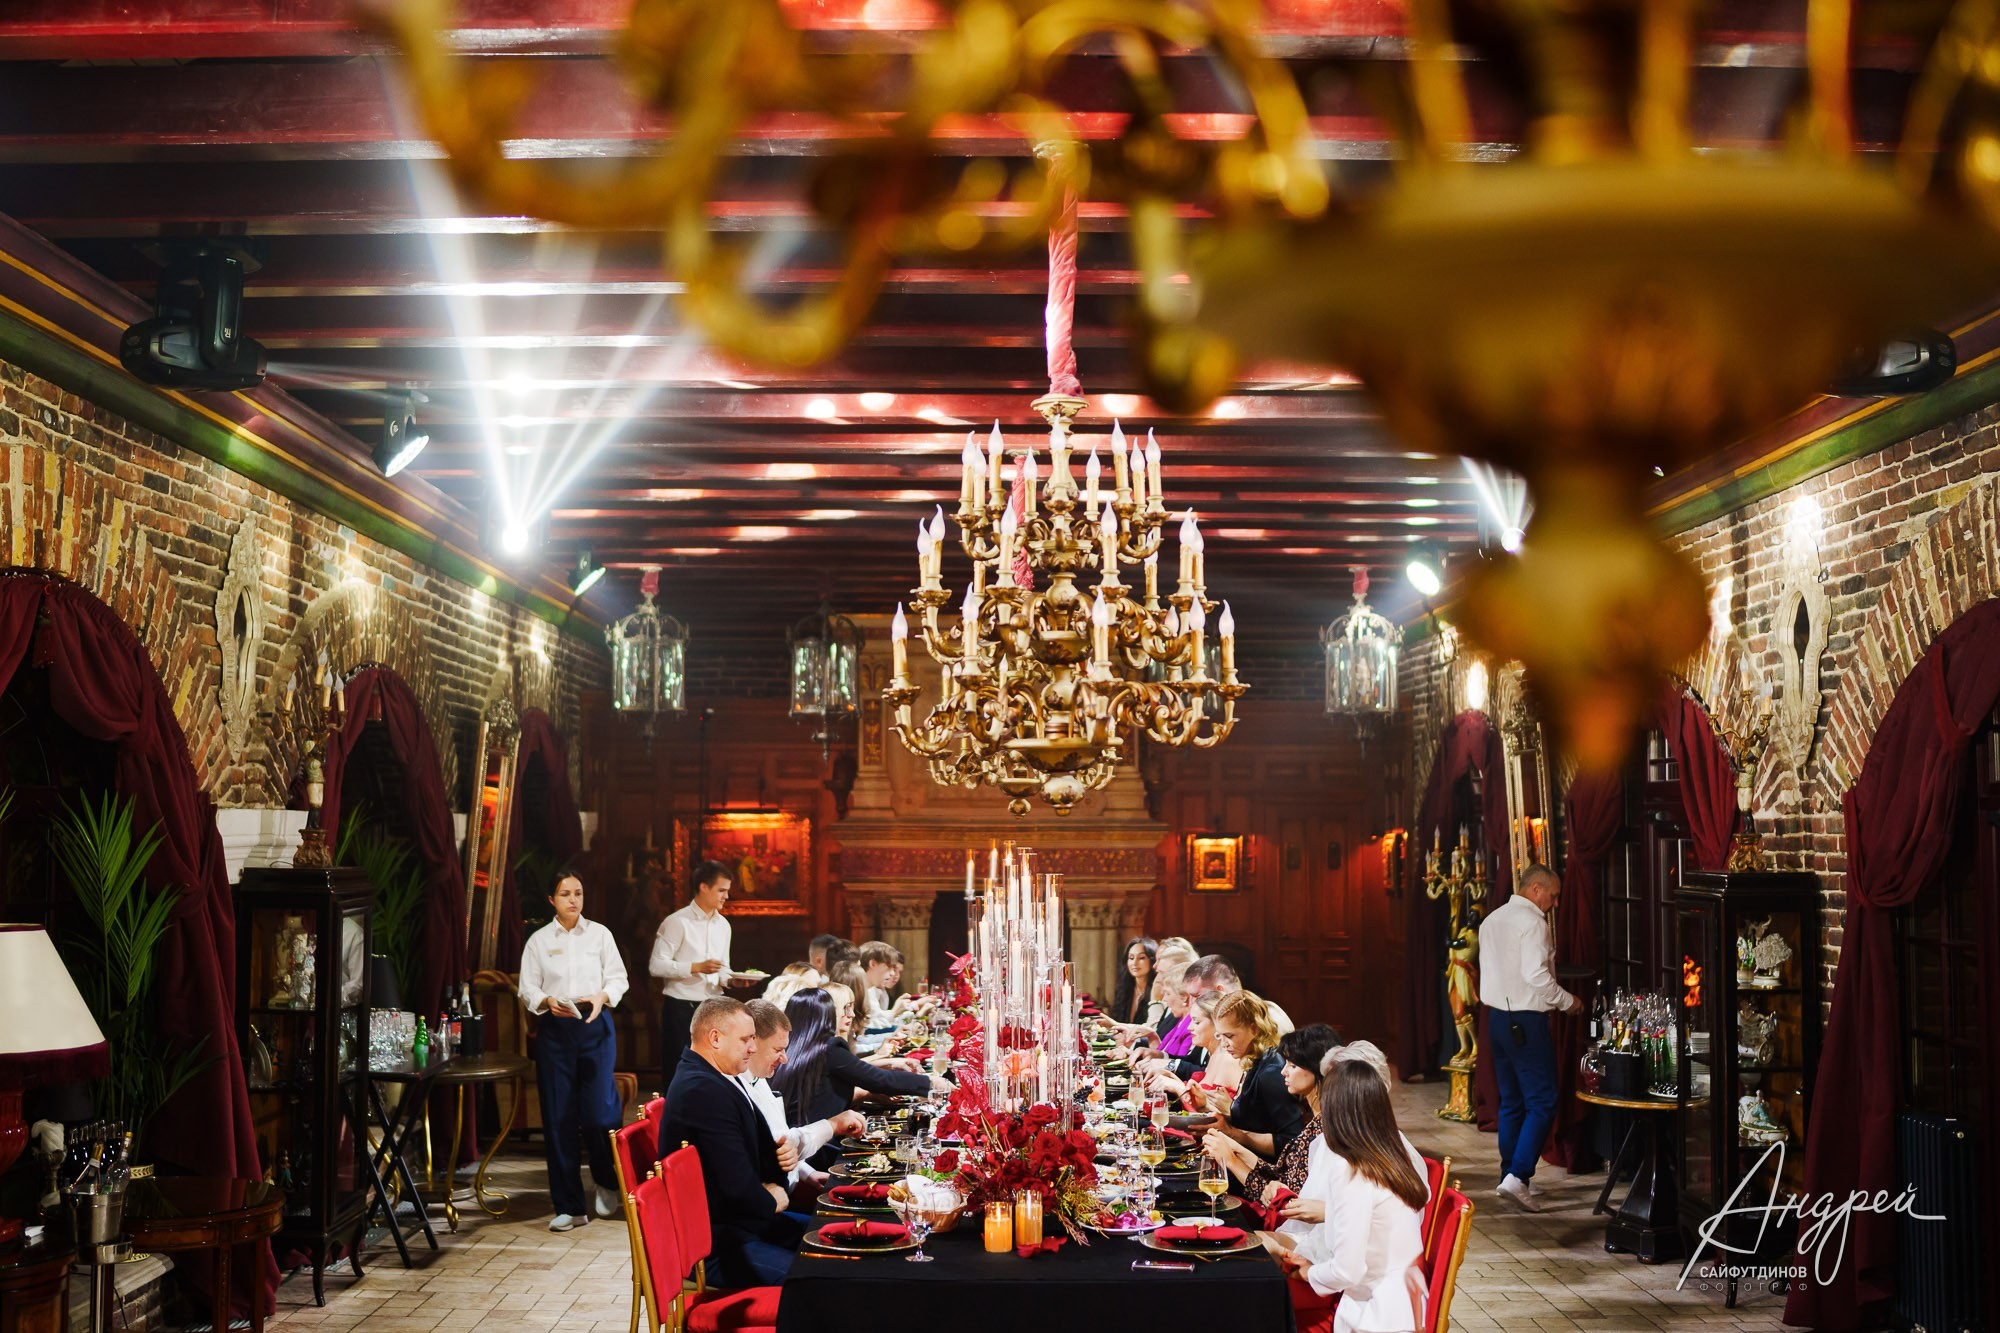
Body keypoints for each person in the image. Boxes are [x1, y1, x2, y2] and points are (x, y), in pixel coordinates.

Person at [1277, 1060, 1430, 1333]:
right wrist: (1313, 1266)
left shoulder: (1351, 1170)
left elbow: (1348, 1271)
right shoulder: (1393, 1158)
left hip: (1375, 1317)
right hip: (1408, 1307)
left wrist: (1308, 1273)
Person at [659, 997, 803, 1285]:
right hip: (717, 1245)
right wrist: (770, 1198)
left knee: (834, 1238)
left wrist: (780, 1162)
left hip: (744, 1224)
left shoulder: (719, 1076)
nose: (753, 1047)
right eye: (746, 1039)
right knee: (819, 1279)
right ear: (715, 1038)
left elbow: (756, 1151)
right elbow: (738, 1187)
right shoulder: (702, 1090)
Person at [518, 873, 629, 1232]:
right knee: (558, 1118)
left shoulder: (600, 934)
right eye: (565, 894)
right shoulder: (538, 941)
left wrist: (602, 996)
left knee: (599, 1114)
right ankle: (569, 1206)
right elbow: (527, 989)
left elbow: (619, 978)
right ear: (551, 899)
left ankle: (606, 1179)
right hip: (555, 1029)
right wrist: (547, 1001)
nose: (573, 900)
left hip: (595, 1023)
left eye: (578, 893)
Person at [1476, 863, 1581, 1210]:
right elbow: (1536, 975)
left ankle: (1510, 1174)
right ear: (1536, 889)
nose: (1554, 903)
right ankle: (1518, 1177)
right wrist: (1567, 1001)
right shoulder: (1534, 923)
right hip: (1526, 1021)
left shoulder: (1492, 920)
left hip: (1496, 1019)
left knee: (1511, 1100)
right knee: (1543, 1100)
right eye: (1553, 895)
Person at [773, 988, 946, 1167]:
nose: (851, 1014)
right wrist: (932, 1083)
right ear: (828, 1015)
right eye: (844, 1008)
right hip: (818, 1151)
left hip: (794, 1148)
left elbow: (823, 1093)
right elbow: (881, 1080)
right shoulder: (828, 1048)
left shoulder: (790, 1049)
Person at [1202, 1024, 1340, 1215]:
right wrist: (1233, 1146)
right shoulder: (1314, 1117)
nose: (1283, 1072)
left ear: (1317, 1069)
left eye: (1292, 1065)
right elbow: (1278, 1174)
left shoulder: (1325, 1128)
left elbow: (1287, 1202)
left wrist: (1231, 1160)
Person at [650, 860, 758, 1095]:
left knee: (714, 1070)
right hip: (681, 1007)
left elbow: (722, 969)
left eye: (727, 891)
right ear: (703, 887)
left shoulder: (723, 925)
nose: (726, 896)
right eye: (721, 890)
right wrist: (696, 967)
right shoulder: (677, 922)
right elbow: (656, 966)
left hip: (713, 1008)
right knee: (678, 1071)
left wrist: (733, 980)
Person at [736, 999, 865, 1193]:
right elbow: (776, 1146)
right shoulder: (736, 1087)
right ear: (752, 1043)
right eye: (778, 1050)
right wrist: (832, 1125)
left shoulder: (759, 1077)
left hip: (792, 1187)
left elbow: (782, 1138)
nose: (785, 1058)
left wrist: (806, 1173)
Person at [1207, 990, 1306, 1159]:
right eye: (1220, 1036)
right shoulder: (1255, 1060)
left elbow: (1291, 1142)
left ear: (1254, 1028)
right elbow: (1256, 1122)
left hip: (1267, 1170)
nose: (1223, 1044)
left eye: (1229, 1036)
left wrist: (1233, 1133)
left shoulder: (1272, 1071)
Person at [1142, 986, 1239, 1108]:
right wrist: (1171, 1077)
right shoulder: (1215, 1054)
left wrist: (1178, 1088)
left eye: (1197, 1022)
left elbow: (1219, 1113)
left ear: (1217, 1025)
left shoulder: (1229, 1059)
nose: (1189, 1027)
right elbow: (1202, 1101)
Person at [1183, 954, 1296, 1034]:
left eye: (1197, 996)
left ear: (1220, 991)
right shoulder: (1221, 1021)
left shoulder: (1264, 1017)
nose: (1191, 1003)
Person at [1110, 936, 1160, 1028]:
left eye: (1141, 958)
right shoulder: (1124, 988)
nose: (1134, 963)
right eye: (1131, 958)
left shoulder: (1158, 991)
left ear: (1153, 960)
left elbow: (1153, 1028)